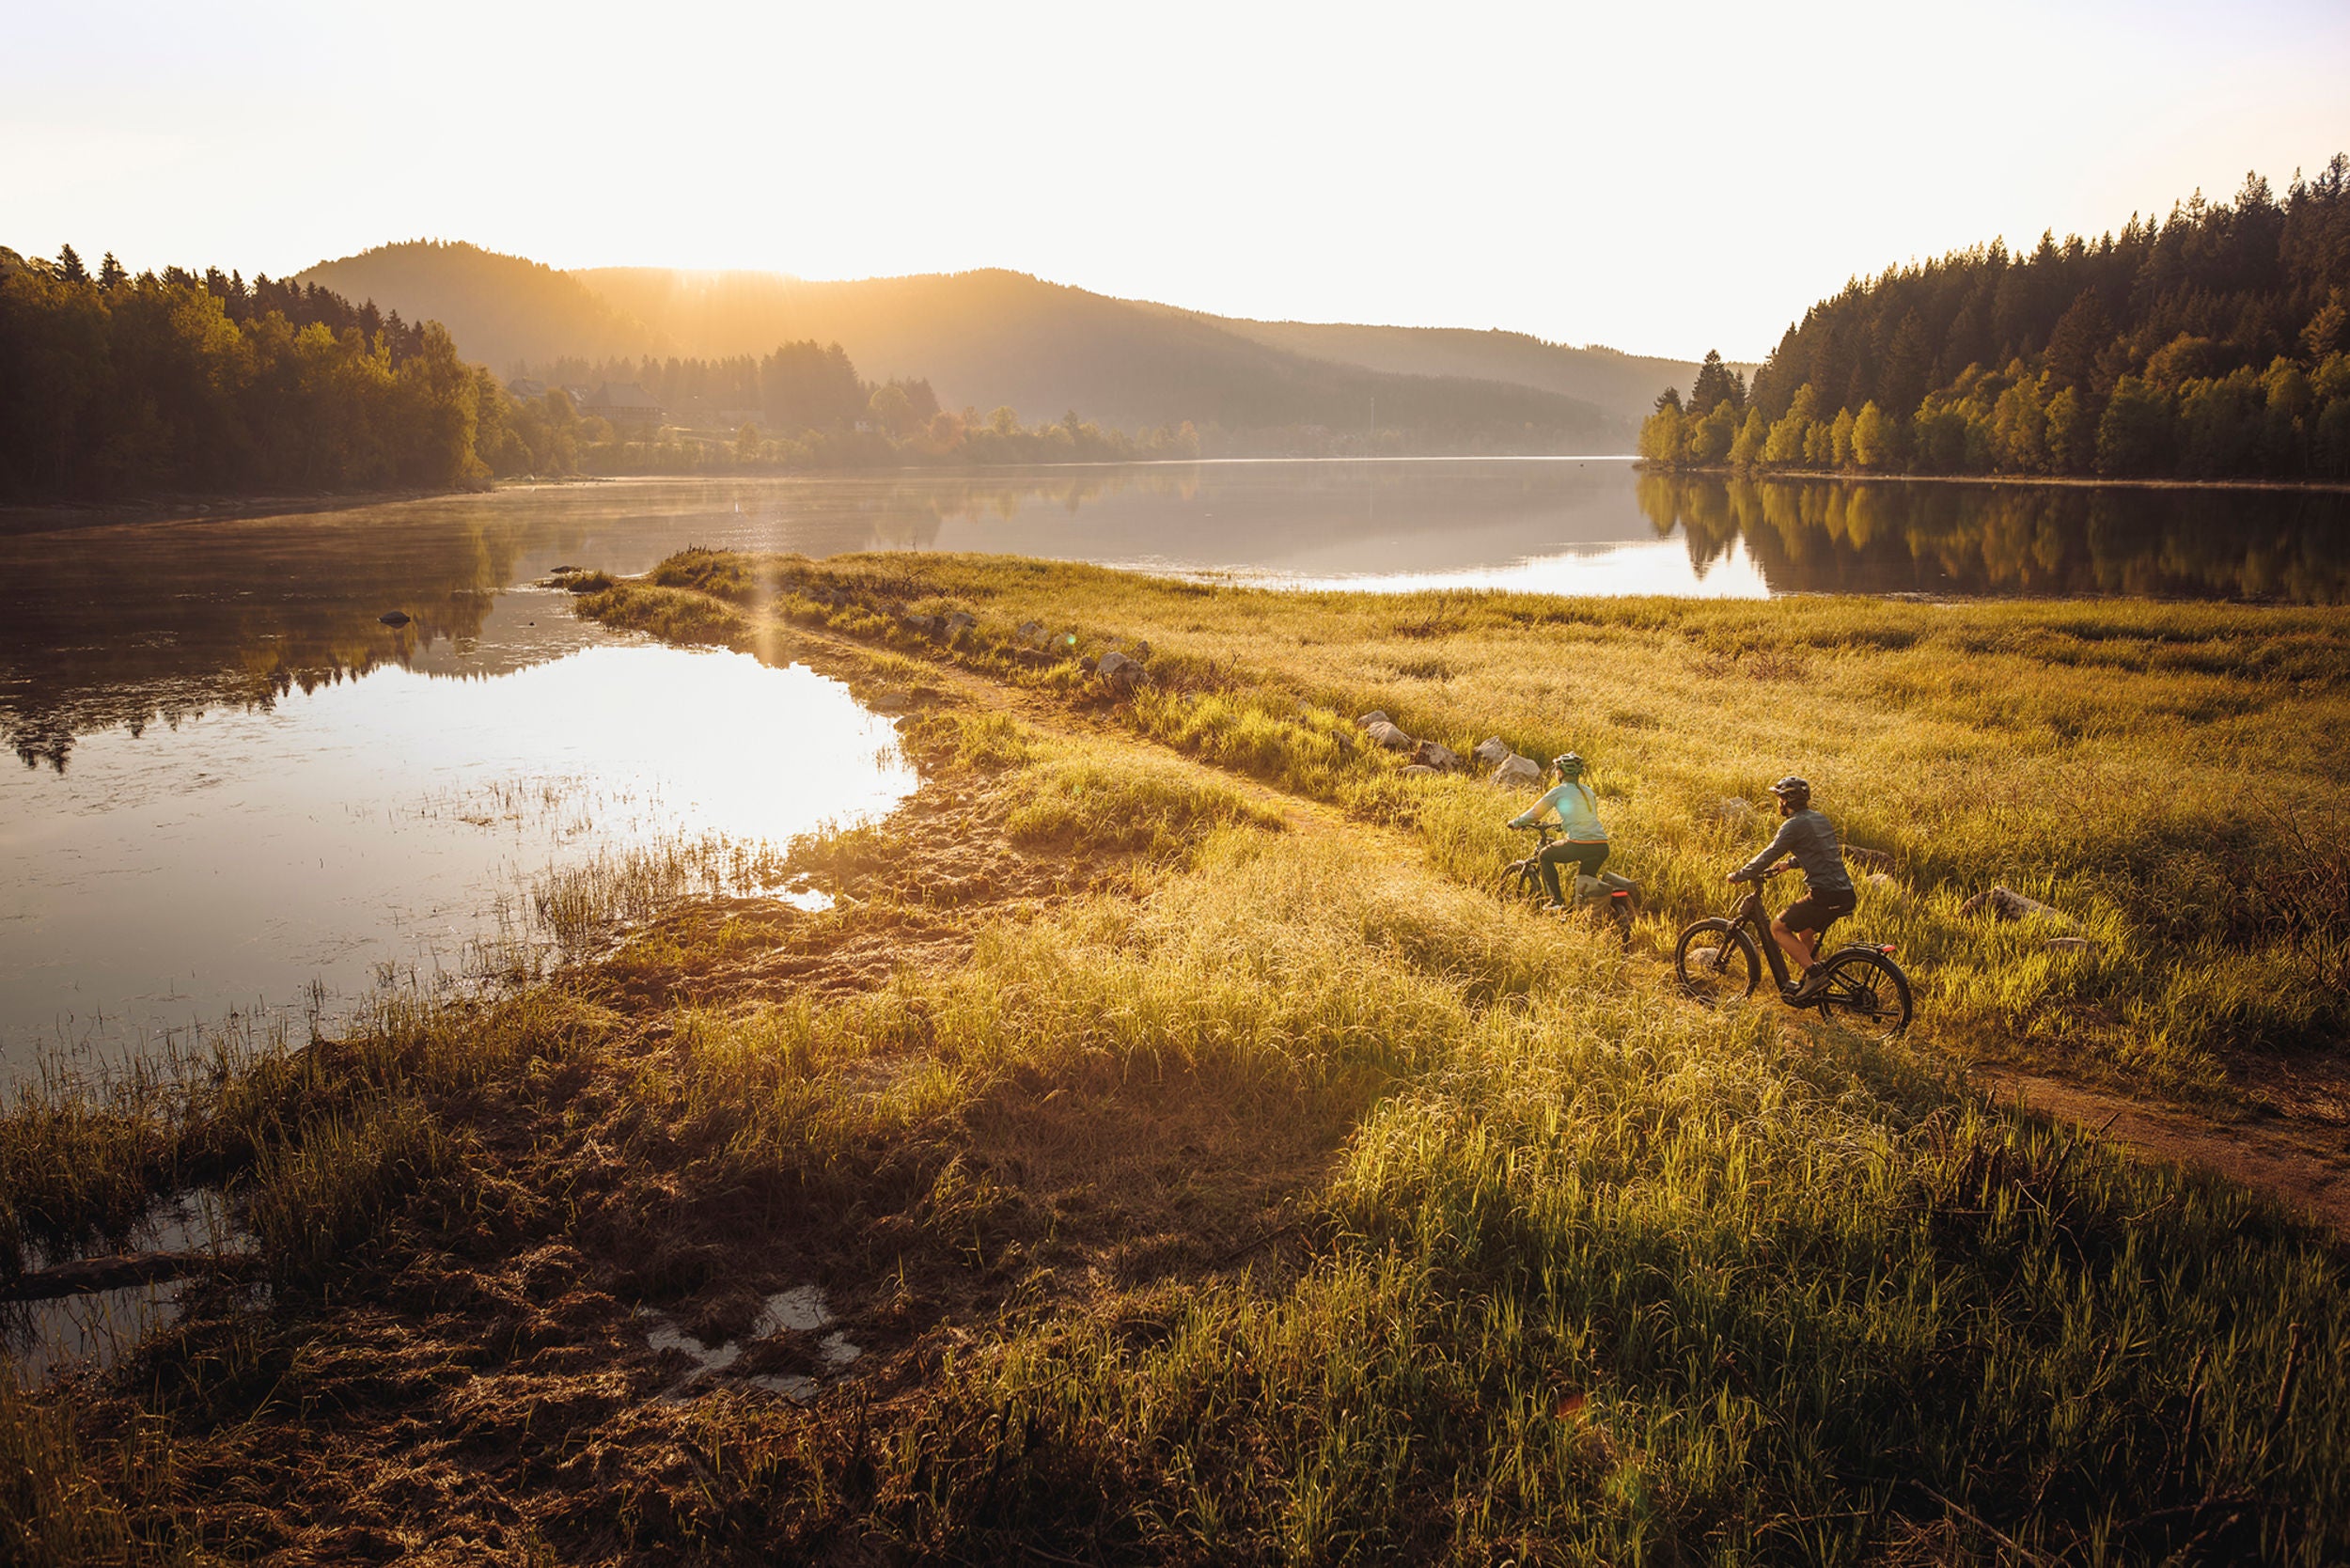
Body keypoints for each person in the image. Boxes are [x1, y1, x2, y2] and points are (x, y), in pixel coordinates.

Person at [1728, 775, 1855, 996]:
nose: (1778, 803)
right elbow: (1821, 851)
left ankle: (1815, 976)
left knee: (1778, 928)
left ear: (1785, 801)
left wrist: (1741, 874)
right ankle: (1819, 985)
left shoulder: (1793, 825)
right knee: (1805, 934)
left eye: (1779, 798)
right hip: (1845, 894)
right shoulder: (1819, 818)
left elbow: (1770, 853)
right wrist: (1790, 864)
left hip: (1824, 896)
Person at [1509, 752, 1609, 908]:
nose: (1556, 772)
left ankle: (1556, 901)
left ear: (1561, 772)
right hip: (1601, 845)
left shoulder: (1559, 791)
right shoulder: (1588, 791)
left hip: (1579, 844)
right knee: (1584, 882)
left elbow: (1536, 813)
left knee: (1544, 855)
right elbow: (1585, 817)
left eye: (1557, 769)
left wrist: (1516, 822)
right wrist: (1563, 825)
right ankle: (1581, 911)